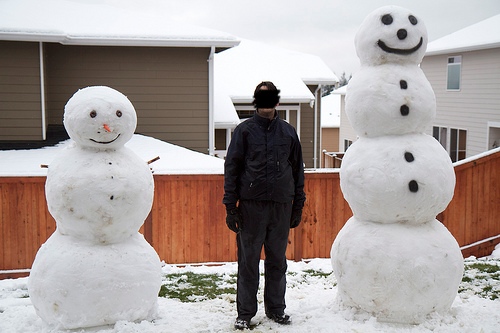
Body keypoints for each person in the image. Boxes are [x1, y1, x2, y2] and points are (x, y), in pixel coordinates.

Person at [223, 81, 306, 330]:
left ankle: (276, 309)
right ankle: (245, 313)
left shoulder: (289, 132)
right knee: (248, 262)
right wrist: (231, 207)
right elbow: (232, 169)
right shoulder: (244, 131)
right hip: (251, 207)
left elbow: (298, 170)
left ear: (277, 101)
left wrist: (298, 205)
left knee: (277, 261)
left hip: (281, 206)